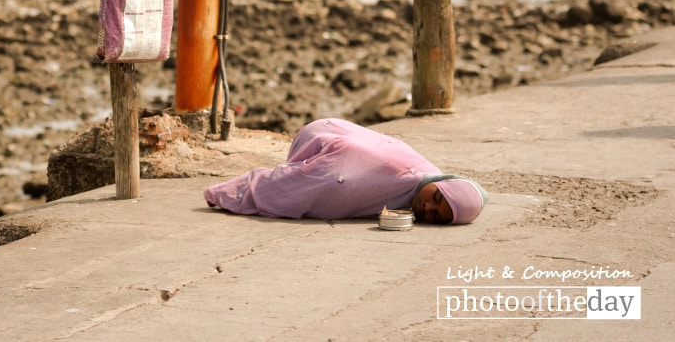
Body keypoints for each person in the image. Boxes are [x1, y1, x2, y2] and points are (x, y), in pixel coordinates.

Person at [204, 118, 488, 224]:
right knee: (332, 182)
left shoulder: (414, 187)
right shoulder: (408, 174)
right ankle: (242, 190)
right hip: (321, 136)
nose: (427, 208)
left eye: (438, 217)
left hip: (343, 136)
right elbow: (340, 170)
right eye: (436, 198)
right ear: (441, 181)